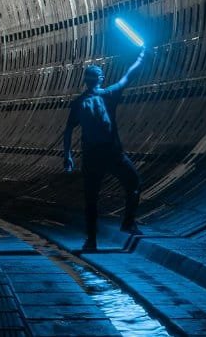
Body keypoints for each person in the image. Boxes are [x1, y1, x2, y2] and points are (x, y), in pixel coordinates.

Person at [62, 49, 147, 250]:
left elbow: (67, 131)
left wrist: (67, 155)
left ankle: (91, 240)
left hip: (93, 155)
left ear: (86, 81)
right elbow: (128, 76)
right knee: (133, 183)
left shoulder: (79, 103)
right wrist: (142, 58)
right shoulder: (108, 94)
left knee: (91, 199)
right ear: (100, 79)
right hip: (112, 153)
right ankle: (128, 222)